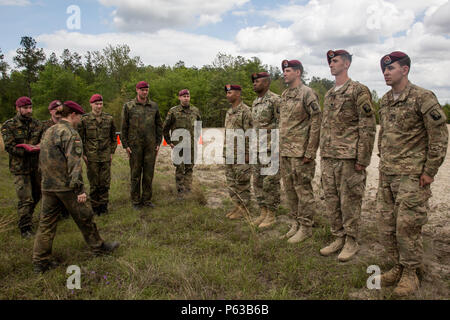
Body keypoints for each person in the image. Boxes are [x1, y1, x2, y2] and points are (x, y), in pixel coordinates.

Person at [376, 51, 448, 297]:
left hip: (412, 176)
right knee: (387, 225)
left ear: (405, 70)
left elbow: (439, 135)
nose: (386, 72)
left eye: (391, 68)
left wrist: (430, 171)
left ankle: (411, 273)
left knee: (408, 226)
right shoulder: (385, 100)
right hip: (388, 173)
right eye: (384, 69)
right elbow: (383, 133)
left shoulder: (422, 97)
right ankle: (398, 266)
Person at [33, 101, 119, 274]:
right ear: (72, 115)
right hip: (66, 187)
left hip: (48, 186)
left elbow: (42, 159)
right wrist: (80, 190)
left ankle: (40, 261)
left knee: (46, 224)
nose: (80, 120)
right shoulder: (70, 133)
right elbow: (74, 164)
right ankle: (99, 247)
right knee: (85, 216)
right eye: (79, 116)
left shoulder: (49, 130)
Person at [319, 50, 376, 262]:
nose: (331, 65)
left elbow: (368, 126)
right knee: (332, 200)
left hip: (349, 158)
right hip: (329, 157)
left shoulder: (358, 90)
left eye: (335, 61)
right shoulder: (330, 93)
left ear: (347, 63)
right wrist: (323, 154)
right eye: (330, 62)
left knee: (349, 200)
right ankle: (338, 237)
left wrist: (362, 158)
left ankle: (352, 240)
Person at [279, 60, 321, 244]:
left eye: (287, 71)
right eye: (284, 71)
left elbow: (316, 121)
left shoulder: (307, 93)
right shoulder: (285, 94)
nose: (284, 74)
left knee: (303, 190)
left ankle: (306, 227)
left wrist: (310, 151)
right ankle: (295, 222)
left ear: (298, 72)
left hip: (301, 153)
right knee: (289, 190)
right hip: (286, 151)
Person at [1, 97, 43, 238]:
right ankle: (25, 228)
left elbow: (43, 141)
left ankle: (27, 217)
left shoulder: (37, 124)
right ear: (17, 108)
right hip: (20, 168)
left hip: (36, 167)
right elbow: (9, 146)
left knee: (37, 195)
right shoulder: (9, 125)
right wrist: (28, 150)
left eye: (30, 107)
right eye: (25, 108)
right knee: (25, 199)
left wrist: (38, 148)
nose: (29, 111)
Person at [121, 81, 163, 210]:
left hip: (150, 146)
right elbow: (124, 127)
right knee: (135, 174)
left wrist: (158, 142)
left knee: (148, 174)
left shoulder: (153, 106)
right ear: (137, 90)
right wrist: (125, 145)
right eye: (142, 90)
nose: (145, 92)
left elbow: (159, 125)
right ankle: (135, 200)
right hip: (135, 146)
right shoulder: (129, 106)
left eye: (146, 90)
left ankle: (147, 200)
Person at [250, 72, 281, 228]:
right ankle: (262, 211)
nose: (255, 83)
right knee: (257, 182)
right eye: (254, 81)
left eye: (258, 81)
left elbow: (282, 124)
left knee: (270, 183)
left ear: (267, 83)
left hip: (271, 149)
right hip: (257, 149)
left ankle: (271, 214)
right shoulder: (255, 102)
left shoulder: (275, 100)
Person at [78, 94, 117, 215]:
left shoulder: (109, 119)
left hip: (105, 156)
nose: (99, 106)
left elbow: (113, 138)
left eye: (100, 104)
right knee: (94, 183)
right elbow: (79, 138)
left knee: (105, 183)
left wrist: (111, 152)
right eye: (96, 104)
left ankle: (104, 207)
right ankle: (95, 207)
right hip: (91, 156)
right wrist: (83, 154)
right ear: (91, 104)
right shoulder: (84, 119)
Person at [162, 89, 201, 199]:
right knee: (180, 167)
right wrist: (169, 141)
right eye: (183, 96)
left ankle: (188, 190)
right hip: (179, 145)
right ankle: (180, 191)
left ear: (190, 97)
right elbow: (165, 127)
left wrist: (196, 139)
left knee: (189, 167)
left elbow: (199, 125)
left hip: (192, 145)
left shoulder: (195, 110)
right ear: (179, 98)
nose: (186, 98)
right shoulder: (173, 111)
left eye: (187, 96)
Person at [223, 84, 253, 220]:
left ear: (238, 94)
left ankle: (244, 209)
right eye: (227, 93)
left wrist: (248, 153)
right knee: (231, 183)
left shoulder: (246, 111)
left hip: (241, 154)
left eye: (230, 93)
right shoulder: (229, 112)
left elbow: (250, 134)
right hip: (229, 153)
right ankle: (237, 206)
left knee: (242, 183)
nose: (228, 95)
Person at [42, 100, 70, 219]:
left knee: (66, 187)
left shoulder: (67, 126)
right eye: (55, 109)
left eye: (60, 109)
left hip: (64, 163)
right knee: (51, 191)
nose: (58, 111)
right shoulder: (43, 126)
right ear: (50, 111)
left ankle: (65, 212)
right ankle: (52, 215)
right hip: (48, 165)